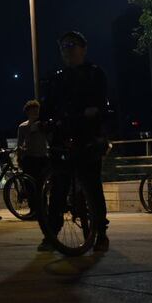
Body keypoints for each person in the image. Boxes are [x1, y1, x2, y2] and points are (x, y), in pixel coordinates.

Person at [39, 31, 110, 252]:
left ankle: (100, 231)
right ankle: (52, 231)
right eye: (63, 46)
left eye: (72, 45)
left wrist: (95, 112)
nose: (67, 49)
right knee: (58, 186)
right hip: (63, 133)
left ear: (83, 48)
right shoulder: (56, 76)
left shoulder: (94, 73)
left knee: (92, 183)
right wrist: (44, 122)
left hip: (87, 134)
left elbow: (103, 102)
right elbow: (47, 104)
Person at [16, 99, 49, 206]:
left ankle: (43, 209)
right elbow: (20, 144)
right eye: (33, 110)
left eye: (37, 110)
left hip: (42, 157)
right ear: (28, 112)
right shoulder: (23, 127)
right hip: (30, 158)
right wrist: (20, 158)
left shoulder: (43, 125)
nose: (36, 113)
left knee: (42, 185)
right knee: (30, 186)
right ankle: (33, 209)